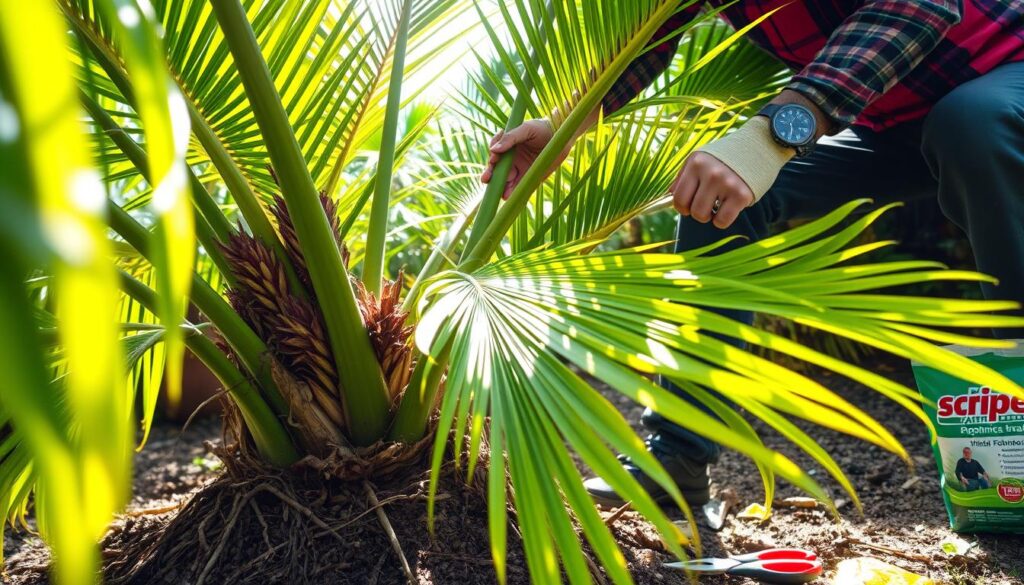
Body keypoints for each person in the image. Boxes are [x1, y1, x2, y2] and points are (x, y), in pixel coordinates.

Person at [481, 1, 1024, 507]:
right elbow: (646, 40)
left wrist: (772, 135)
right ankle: (677, 460)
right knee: (722, 199)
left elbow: (921, 5)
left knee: (970, 122)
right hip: (892, 126)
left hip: (1004, 75)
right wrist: (563, 126)